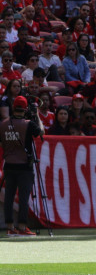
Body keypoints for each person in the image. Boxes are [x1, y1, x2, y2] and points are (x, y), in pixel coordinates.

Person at [1, 96, 42, 237]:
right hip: (24, 166)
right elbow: (41, 132)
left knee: (9, 197)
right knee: (23, 197)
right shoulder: (28, 124)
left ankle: (10, 227)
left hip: (9, 165)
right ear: (25, 108)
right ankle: (23, 227)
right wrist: (37, 115)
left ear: (13, 107)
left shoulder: (3, 124)